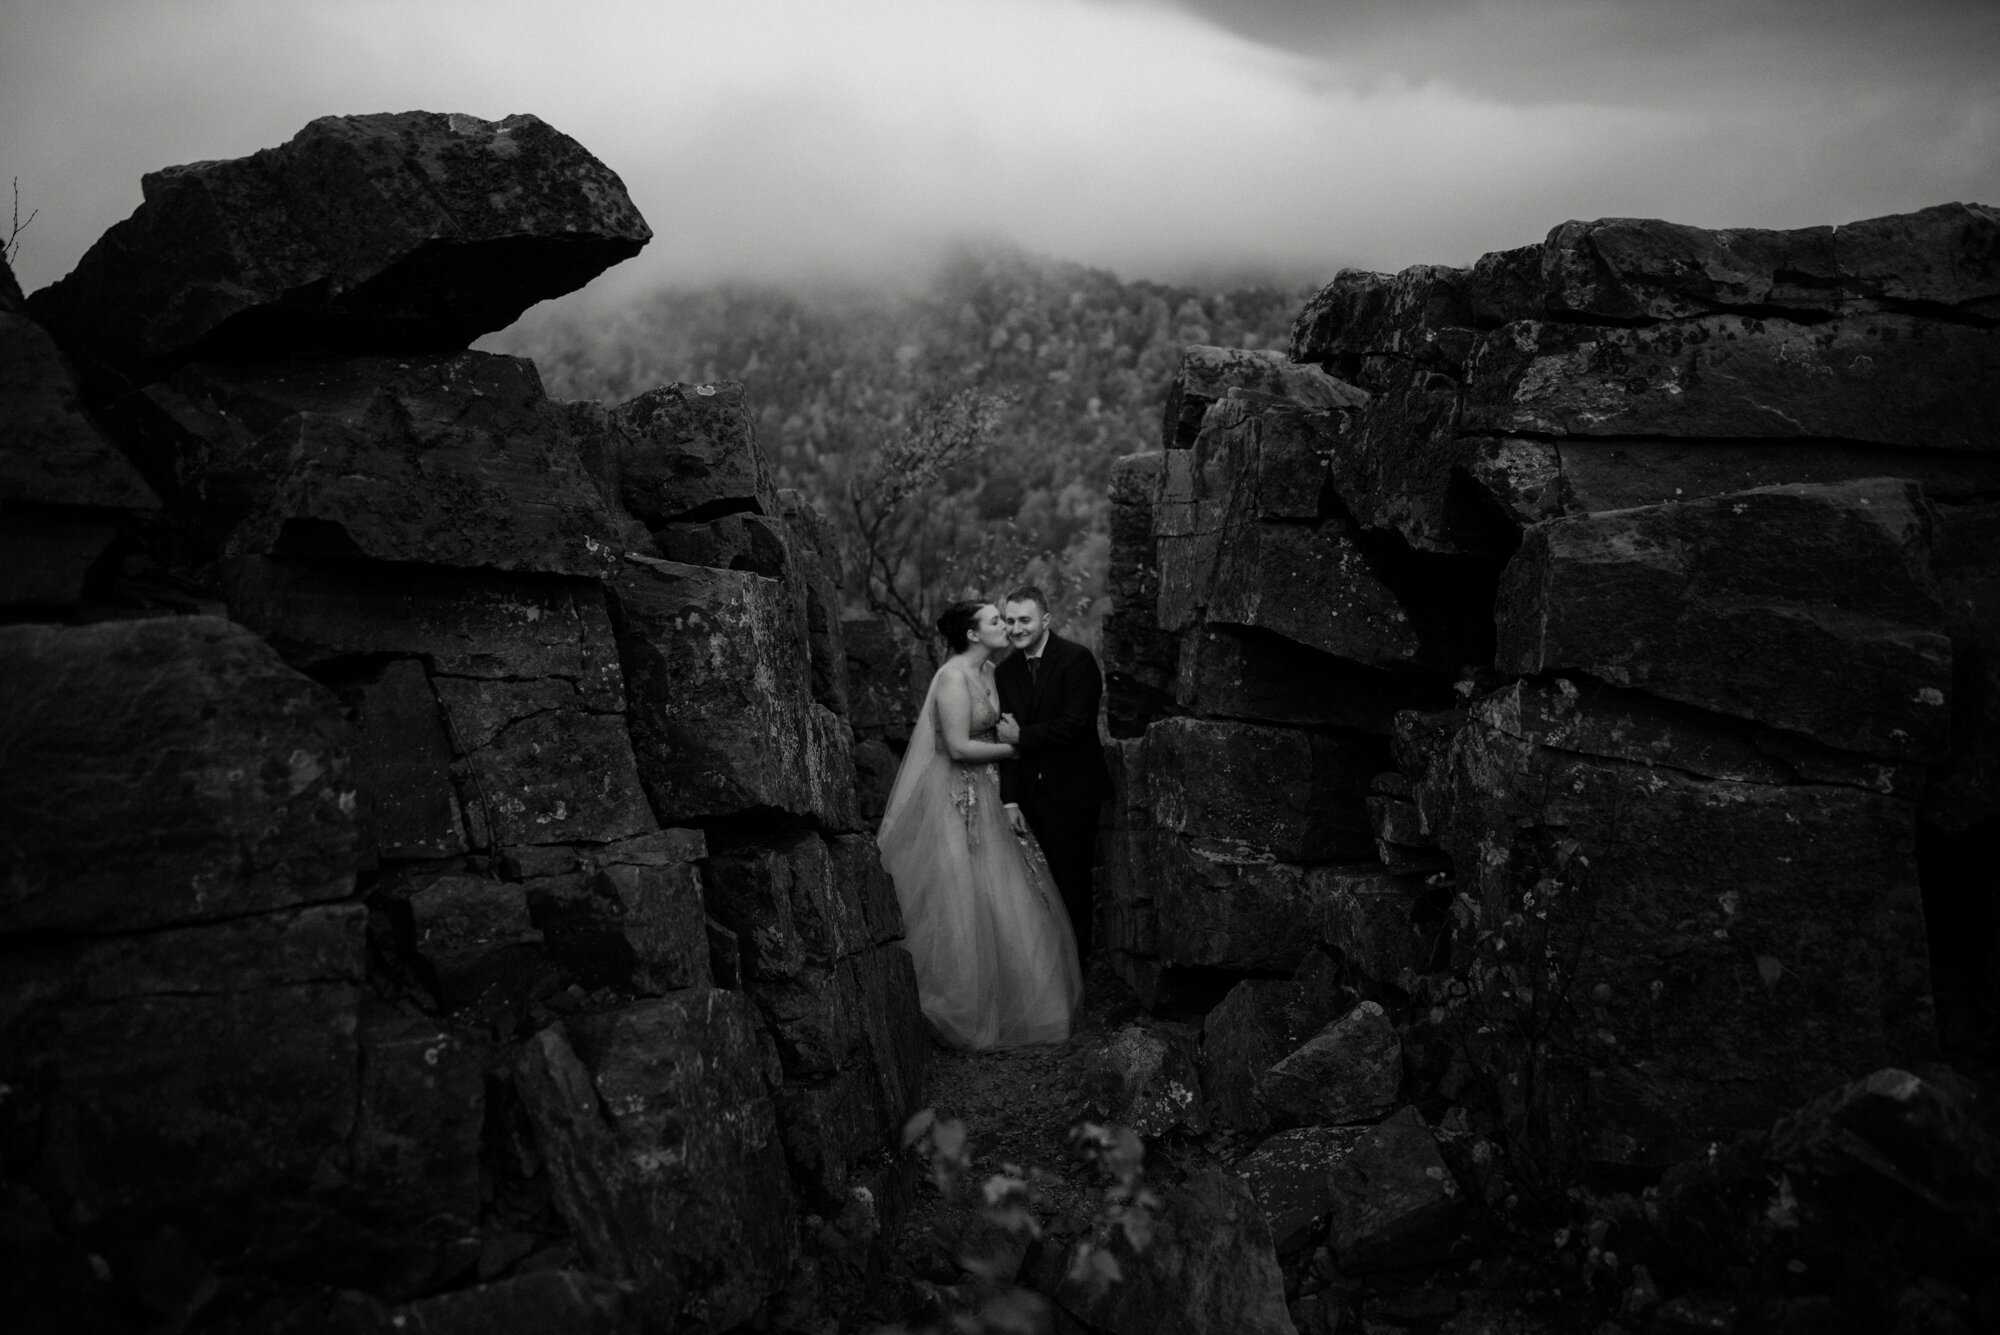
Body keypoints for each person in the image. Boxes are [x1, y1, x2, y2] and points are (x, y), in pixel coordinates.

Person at [876, 600, 1084, 1048]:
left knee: (1010, 894)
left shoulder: (990, 672)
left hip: (992, 794)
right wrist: (1017, 749)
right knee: (962, 898)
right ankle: (965, 1013)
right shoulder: (951, 678)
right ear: (972, 634)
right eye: (995, 621)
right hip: (957, 794)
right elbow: (955, 746)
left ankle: (1028, 1009)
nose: (1005, 626)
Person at [993, 585, 1113, 959]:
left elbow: (1074, 726)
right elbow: (1009, 746)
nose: (1016, 628)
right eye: (1010, 620)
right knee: (1032, 887)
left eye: (1024, 619)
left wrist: (1022, 735)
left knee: (1071, 884)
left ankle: (1079, 974)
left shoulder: (1077, 660)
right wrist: (1009, 799)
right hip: (1028, 796)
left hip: (1073, 792)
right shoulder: (1005, 671)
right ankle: (1047, 971)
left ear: (1046, 620)